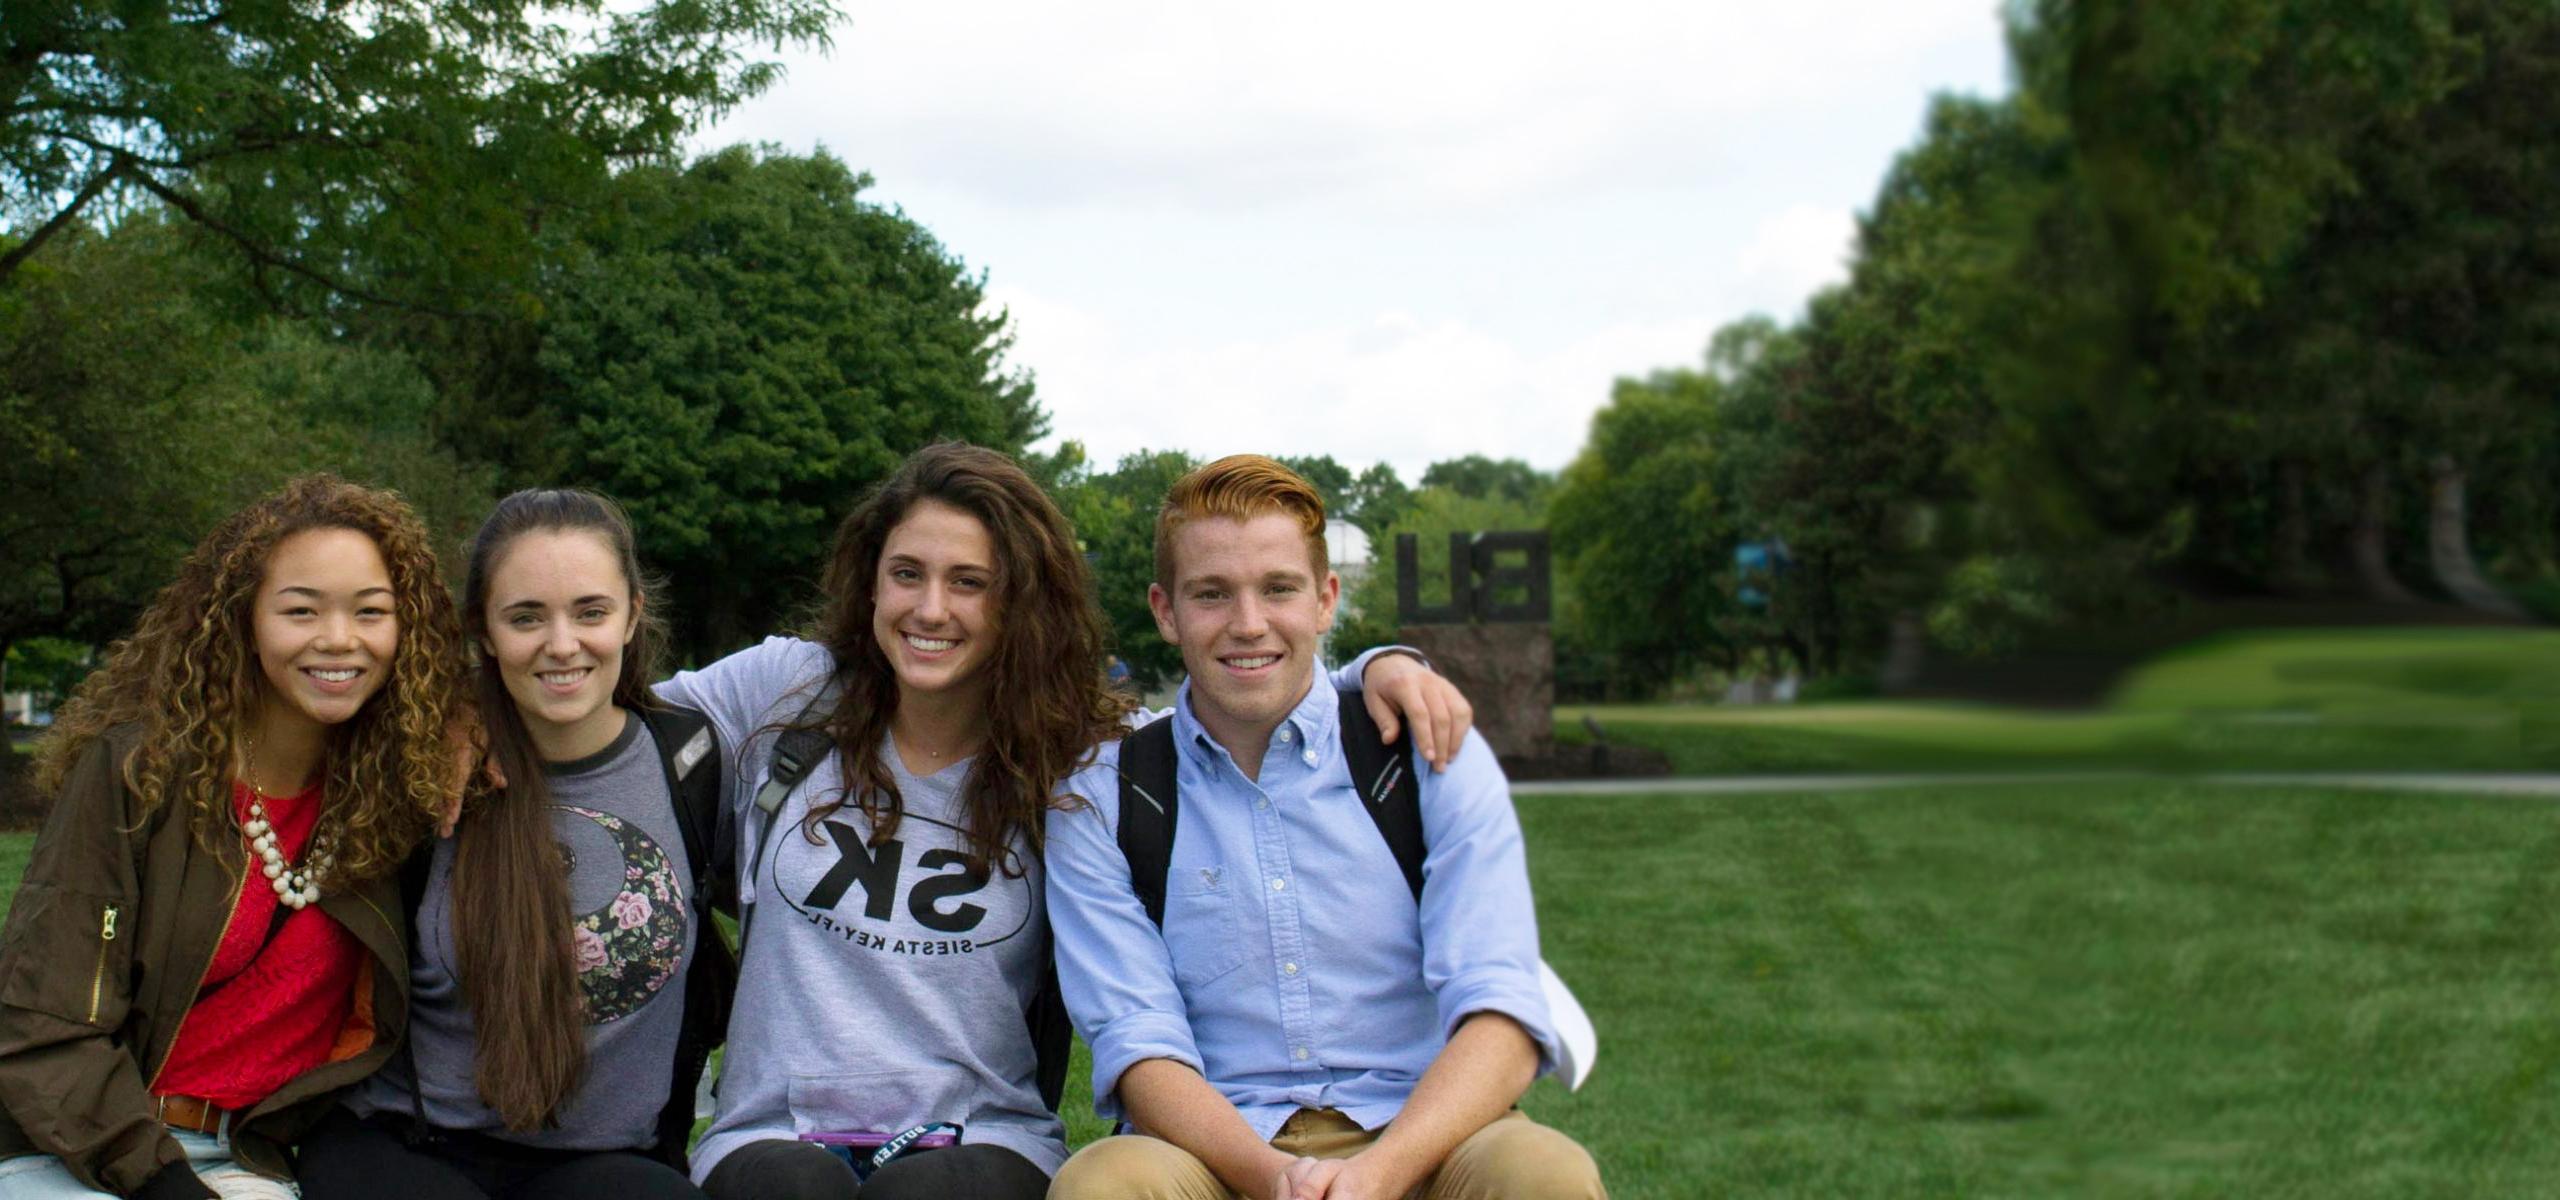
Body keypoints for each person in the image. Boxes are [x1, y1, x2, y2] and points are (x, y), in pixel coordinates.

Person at [652, 442, 1472, 1200]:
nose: (931, 608)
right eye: (907, 574)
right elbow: (608, 718)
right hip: (775, 1129)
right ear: (872, 582)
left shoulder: (1079, 753)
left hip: (979, 1137)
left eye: (970, 582)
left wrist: (1379, 669)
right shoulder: (786, 692)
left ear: (1019, 599)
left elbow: (1236, 702)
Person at [1044, 455, 1607, 1200]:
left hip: (1429, 1132)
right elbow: (1139, 1046)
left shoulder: (1426, 751)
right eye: (1212, 594)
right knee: (1103, 1185)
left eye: (1278, 589)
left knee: (1545, 1175)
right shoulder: (1103, 797)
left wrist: (1378, 1175)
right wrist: (1282, 1180)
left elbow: (1499, 1005)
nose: (1249, 624)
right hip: (1215, 1149)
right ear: (1165, 610)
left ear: (1325, 599)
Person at [0, 475, 468, 1200]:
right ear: (241, 619)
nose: (339, 639)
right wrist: (162, 1183)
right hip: (77, 1155)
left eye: (371, 612)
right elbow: (42, 1026)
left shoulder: (394, 797)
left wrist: (480, 722)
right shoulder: (137, 776)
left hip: (252, 1164)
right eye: (301, 610)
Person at [295, 489, 728, 1200]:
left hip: (608, 1164)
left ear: (632, 616)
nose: (562, 645)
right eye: (527, 617)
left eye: (591, 612)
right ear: (486, 632)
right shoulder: (423, 765)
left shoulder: (695, 764)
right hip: (408, 1144)